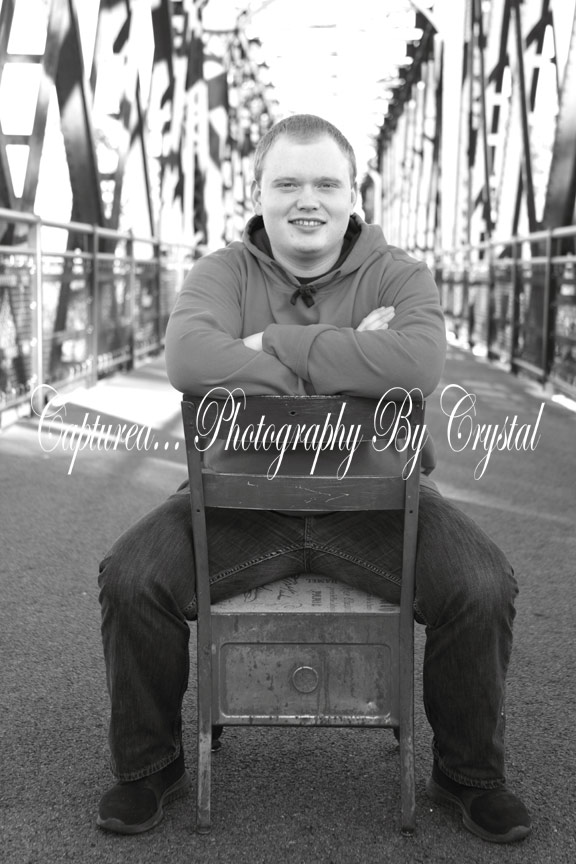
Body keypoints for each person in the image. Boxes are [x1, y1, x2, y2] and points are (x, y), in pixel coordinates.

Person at [97, 114, 531, 843]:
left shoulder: (400, 275)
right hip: (236, 503)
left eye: (327, 183)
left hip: (381, 505)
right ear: (258, 193)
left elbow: (417, 365)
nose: (308, 200)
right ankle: (150, 767)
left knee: (483, 585)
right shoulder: (222, 273)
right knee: (132, 577)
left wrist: (269, 344)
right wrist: (351, 359)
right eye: (288, 183)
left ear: (352, 193)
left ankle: (468, 775)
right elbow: (189, 360)